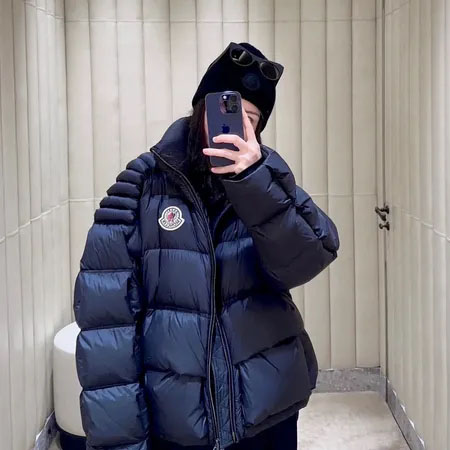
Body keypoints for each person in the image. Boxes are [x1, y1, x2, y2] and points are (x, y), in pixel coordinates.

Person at [73, 42, 340, 450]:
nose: (236, 129)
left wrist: (254, 182)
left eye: (251, 120)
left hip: (265, 408)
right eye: (228, 113)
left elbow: (308, 257)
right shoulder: (140, 187)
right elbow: (108, 325)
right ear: (202, 110)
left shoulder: (268, 181)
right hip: (178, 420)